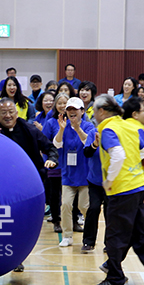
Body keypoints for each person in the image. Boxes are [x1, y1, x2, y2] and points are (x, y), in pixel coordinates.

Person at [91, 94, 144, 285]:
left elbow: (118, 155)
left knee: (115, 236)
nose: (93, 115)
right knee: (137, 231)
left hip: (122, 189)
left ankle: (115, 279)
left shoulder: (108, 129)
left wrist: (109, 180)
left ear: (101, 111)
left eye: (93, 111)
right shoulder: (130, 126)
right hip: (138, 188)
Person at [0, 97, 58, 270]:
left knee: (23, 224)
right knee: (4, 222)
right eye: (3, 113)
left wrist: (51, 159)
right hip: (3, 186)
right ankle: (7, 257)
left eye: (11, 112)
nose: (7, 116)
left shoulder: (29, 129)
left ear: (17, 113)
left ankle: (17, 256)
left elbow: (50, 148)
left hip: (30, 186)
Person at [50, 97, 95, 246]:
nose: (71, 112)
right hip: (68, 175)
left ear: (82, 111)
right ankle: (67, 236)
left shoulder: (89, 126)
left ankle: (89, 236)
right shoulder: (63, 126)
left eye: (75, 109)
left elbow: (88, 143)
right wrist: (62, 129)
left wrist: (78, 128)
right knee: (66, 205)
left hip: (85, 175)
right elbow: (56, 144)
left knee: (84, 206)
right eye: (69, 110)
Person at [43, 93, 70, 233]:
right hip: (55, 164)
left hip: (70, 164)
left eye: (65, 103)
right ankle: (56, 220)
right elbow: (45, 143)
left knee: (70, 194)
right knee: (55, 194)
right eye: (59, 103)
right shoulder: (50, 123)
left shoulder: (74, 121)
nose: (62, 106)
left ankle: (72, 221)